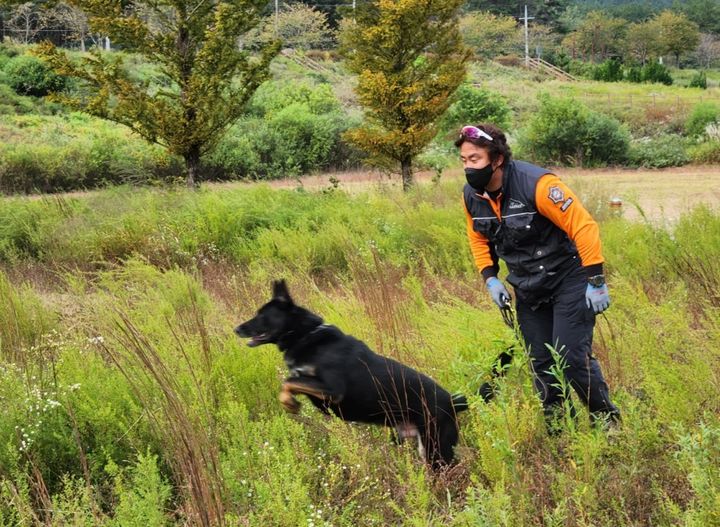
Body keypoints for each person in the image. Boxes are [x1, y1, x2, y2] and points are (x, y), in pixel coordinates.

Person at [457, 123, 620, 430]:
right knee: (541, 363)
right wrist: (490, 277)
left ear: (497, 159)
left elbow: (582, 226)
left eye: (475, 159)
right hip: (528, 286)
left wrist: (596, 280)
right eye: (464, 160)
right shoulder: (472, 196)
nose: (468, 167)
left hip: (568, 279)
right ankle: (560, 429)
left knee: (571, 359)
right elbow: (478, 238)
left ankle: (607, 422)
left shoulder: (539, 185)